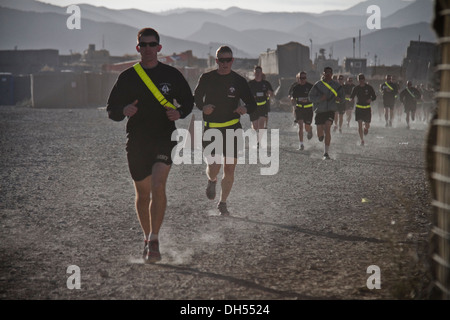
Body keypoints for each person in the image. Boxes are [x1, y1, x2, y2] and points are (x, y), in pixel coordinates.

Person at [106, 28, 194, 263]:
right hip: (136, 141)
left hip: (164, 137)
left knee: (158, 185)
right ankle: (146, 237)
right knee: (143, 194)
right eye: (143, 45)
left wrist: (180, 112)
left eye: (151, 44)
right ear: (138, 48)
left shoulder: (172, 74)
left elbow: (188, 101)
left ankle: (155, 239)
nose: (147, 49)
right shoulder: (127, 77)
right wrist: (123, 111)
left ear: (159, 48)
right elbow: (111, 109)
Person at [194, 46, 257, 215]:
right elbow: (197, 98)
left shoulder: (239, 80)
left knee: (229, 169)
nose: (225, 63)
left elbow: (252, 103)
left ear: (232, 61)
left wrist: (245, 109)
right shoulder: (207, 78)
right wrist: (203, 106)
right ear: (216, 61)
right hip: (212, 129)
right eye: (221, 60)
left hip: (232, 128)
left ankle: (222, 203)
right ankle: (211, 179)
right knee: (214, 166)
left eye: (228, 60)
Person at [308, 66, 344, 160]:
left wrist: (339, 99)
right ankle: (320, 136)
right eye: (326, 73)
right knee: (320, 133)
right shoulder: (318, 85)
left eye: (330, 73)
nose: (328, 74)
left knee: (328, 127)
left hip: (330, 110)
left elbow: (342, 98)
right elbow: (310, 97)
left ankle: (326, 153)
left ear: (332, 74)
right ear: (323, 74)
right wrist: (320, 99)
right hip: (320, 111)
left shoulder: (336, 85)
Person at [248, 66, 273, 147]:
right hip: (253, 107)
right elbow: (245, 95)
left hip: (263, 106)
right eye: (256, 72)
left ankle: (259, 142)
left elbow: (272, 94)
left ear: (261, 73)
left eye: (259, 72)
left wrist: (270, 93)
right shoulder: (250, 84)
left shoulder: (266, 84)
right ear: (254, 73)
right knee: (255, 126)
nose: (258, 73)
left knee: (261, 125)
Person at [288, 71, 314, 150]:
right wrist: (293, 102)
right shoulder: (295, 87)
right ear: (298, 79)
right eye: (301, 78)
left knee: (306, 127)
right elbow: (292, 97)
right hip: (299, 109)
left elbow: (315, 96)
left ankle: (310, 130)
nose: (303, 79)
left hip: (308, 109)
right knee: (300, 126)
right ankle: (301, 144)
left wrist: (308, 99)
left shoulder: (310, 86)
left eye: (304, 78)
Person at [349, 73, 376, 146]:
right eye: (360, 79)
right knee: (359, 125)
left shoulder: (369, 87)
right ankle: (362, 140)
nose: (361, 80)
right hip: (359, 109)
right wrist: (351, 99)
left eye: (362, 79)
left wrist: (370, 99)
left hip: (367, 109)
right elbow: (352, 96)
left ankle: (366, 128)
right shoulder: (356, 88)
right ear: (358, 80)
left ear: (364, 79)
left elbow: (374, 96)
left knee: (367, 125)